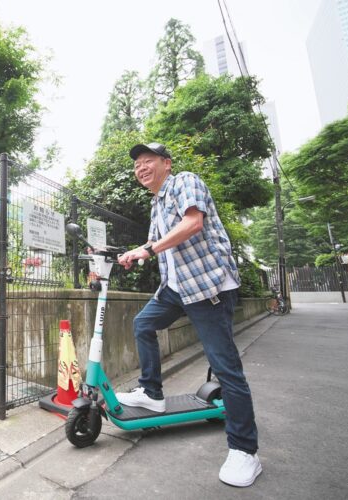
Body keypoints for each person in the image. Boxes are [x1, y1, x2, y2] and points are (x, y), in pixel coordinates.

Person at [116, 142, 261, 488]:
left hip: (208, 286)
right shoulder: (156, 204)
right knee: (143, 325)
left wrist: (148, 247)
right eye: (137, 165)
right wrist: (129, 255)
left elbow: (192, 223)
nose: (141, 168)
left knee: (226, 368)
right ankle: (151, 394)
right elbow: (154, 248)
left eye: (148, 161)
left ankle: (245, 451)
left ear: (166, 163)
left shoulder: (184, 181)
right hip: (177, 288)